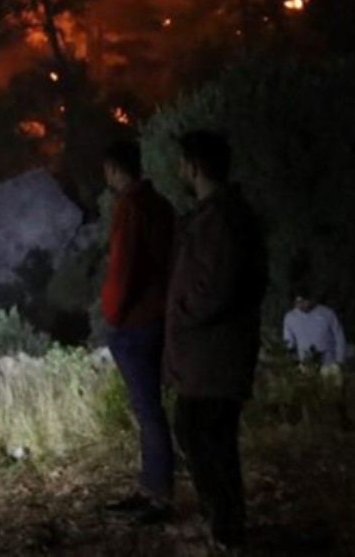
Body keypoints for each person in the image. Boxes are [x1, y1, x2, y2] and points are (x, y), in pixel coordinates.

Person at [165, 129, 269, 553]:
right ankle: (222, 524)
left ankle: (227, 531)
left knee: (207, 438)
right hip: (207, 356)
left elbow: (219, 285)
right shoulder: (216, 214)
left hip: (215, 356)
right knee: (200, 434)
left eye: (181, 162)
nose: (178, 169)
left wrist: (181, 313)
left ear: (193, 166)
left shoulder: (223, 218)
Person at [98, 139, 177, 524]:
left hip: (135, 322)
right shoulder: (160, 204)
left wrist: (112, 312)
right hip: (159, 316)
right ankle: (150, 487)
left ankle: (158, 495)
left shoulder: (130, 207)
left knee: (148, 409)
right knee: (150, 408)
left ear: (114, 169)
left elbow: (124, 266)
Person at [283, 290, 348, 367]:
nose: (301, 305)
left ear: (310, 299)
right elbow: (288, 342)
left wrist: (339, 360)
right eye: (298, 302)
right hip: (305, 364)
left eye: (303, 301)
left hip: (328, 363)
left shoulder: (327, 313)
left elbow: (339, 337)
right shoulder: (290, 317)